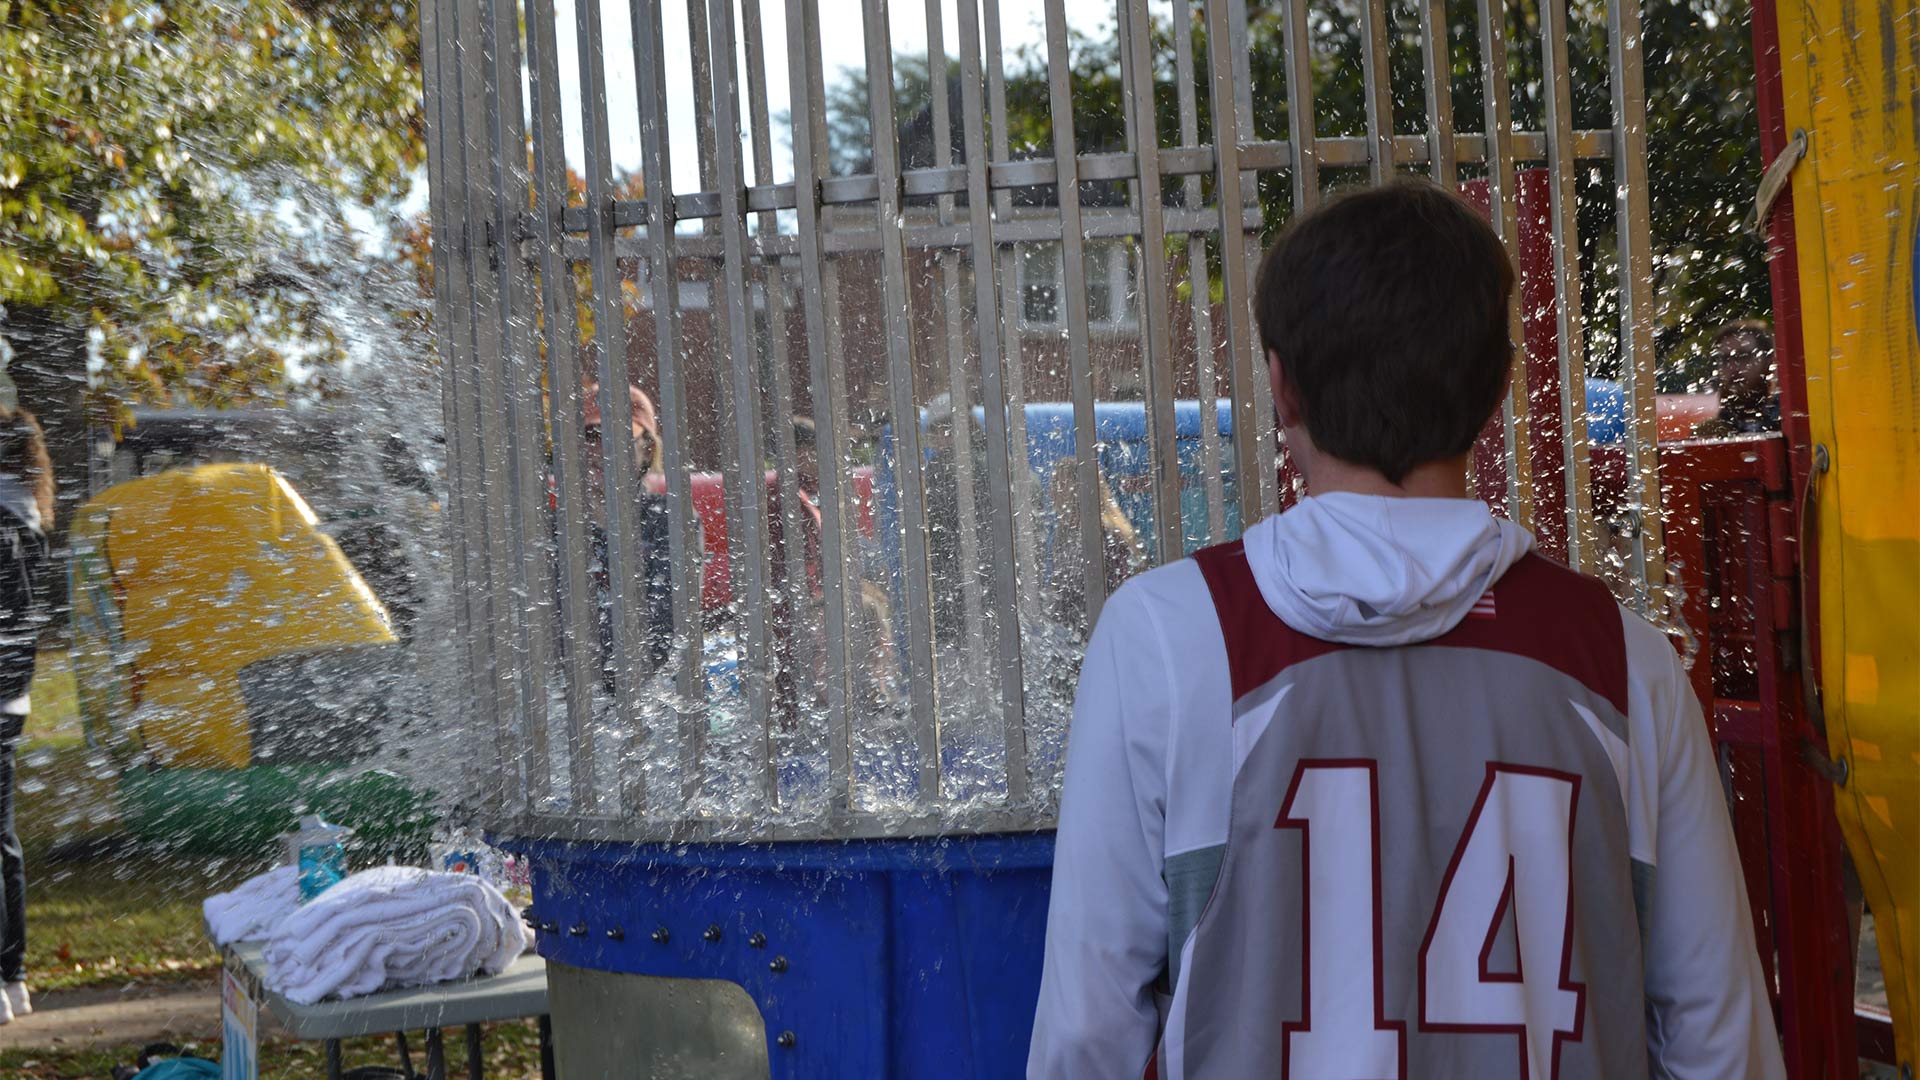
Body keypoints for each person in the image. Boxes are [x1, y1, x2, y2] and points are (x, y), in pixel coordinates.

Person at [1028, 180, 1784, 1078]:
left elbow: (1087, 1037)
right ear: (1499, 388)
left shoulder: (1165, 635)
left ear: (1281, 386)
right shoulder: (1619, 659)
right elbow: (1718, 1042)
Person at [0, 406, 54, 1024]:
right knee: (4, 839)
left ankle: (8, 975)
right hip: (11, 697)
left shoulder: (3, 525)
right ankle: (12, 977)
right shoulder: (27, 516)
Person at [1693, 319, 1779, 438]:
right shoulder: (1708, 434)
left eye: (1743, 356)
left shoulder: (1792, 423)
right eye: (1725, 359)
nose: (1733, 367)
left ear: (1768, 361)